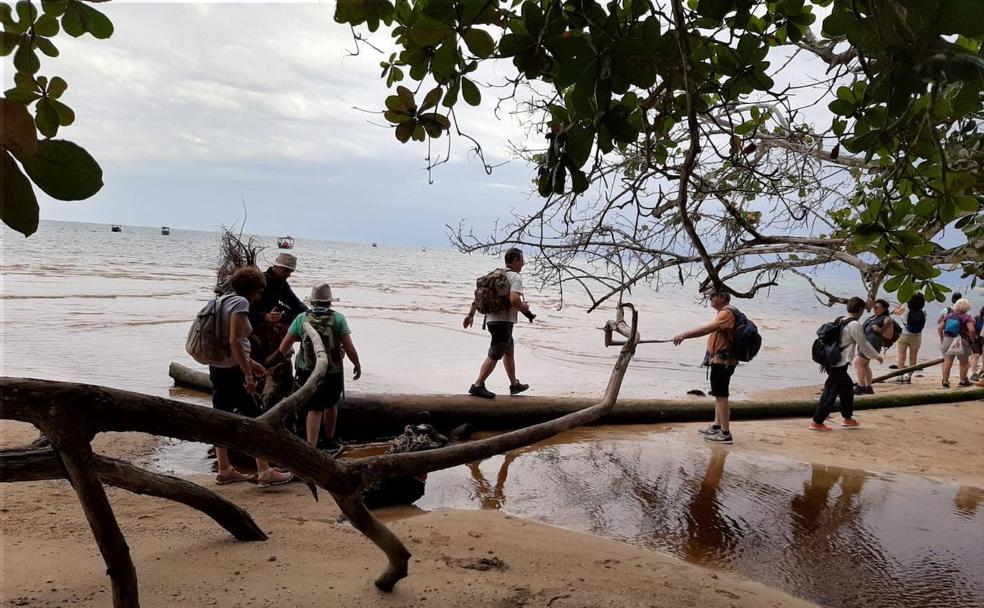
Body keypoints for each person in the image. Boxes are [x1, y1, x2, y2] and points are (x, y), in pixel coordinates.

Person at [210, 266, 294, 487]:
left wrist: (252, 363)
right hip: (232, 369)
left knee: (221, 415)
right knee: (256, 418)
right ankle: (265, 472)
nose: (259, 297)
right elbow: (235, 340)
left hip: (218, 365)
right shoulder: (241, 303)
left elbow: (229, 341)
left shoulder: (223, 299)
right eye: (259, 292)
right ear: (253, 289)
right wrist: (247, 372)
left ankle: (224, 468)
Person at [274, 282, 361, 450]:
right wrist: (356, 363)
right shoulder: (338, 318)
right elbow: (348, 346)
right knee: (330, 405)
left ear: (312, 302)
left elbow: (284, 347)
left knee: (314, 408)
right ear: (329, 302)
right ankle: (329, 441)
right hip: (332, 370)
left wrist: (276, 365)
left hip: (307, 370)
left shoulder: (301, 318)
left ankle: (310, 447)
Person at [672, 288, 738, 444]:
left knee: (722, 396)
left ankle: (725, 433)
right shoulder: (726, 312)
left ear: (721, 297)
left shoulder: (726, 313)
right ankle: (716, 427)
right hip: (720, 360)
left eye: (711, 297)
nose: (709, 300)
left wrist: (684, 335)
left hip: (723, 361)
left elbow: (706, 329)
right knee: (718, 395)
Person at [463, 247, 531, 399]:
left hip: (491, 319)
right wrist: (524, 308)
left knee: (509, 349)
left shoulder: (496, 274)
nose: (523, 263)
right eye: (522, 260)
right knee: (495, 353)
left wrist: (470, 314)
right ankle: (478, 385)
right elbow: (514, 299)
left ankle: (514, 385)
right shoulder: (515, 277)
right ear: (515, 261)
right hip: (503, 321)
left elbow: (479, 296)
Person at [810, 297, 883, 431]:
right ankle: (817, 422)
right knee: (830, 391)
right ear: (860, 310)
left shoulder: (840, 319)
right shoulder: (854, 325)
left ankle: (848, 418)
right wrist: (876, 356)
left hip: (831, 359)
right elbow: (864, 344)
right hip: (839, 361)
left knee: (847, 387)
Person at [249, 252, 309, 330]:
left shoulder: (281, 283)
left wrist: (307, 313)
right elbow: (243, 309)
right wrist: (265, 316)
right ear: (275, 266)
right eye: (286, 270)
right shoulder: (259, 281)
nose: (288, 274)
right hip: (254, 322)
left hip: (273, 319)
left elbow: (295, 303)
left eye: (290, 271)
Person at [853, 299, 893, 395]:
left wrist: (880, 330)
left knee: (857, 363)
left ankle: (861, 386)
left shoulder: (886, 318)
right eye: (874, 307)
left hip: (872, 344)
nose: (875, 309)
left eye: (877, 307)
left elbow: (889, 335)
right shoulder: (873, 317)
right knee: (865, 365)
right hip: (865, 344)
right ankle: (868, 387)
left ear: (884, 308)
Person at [939, 298, 978, 388]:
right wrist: (972, 339)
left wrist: (942, 338)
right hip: (962, 341)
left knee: (947, 361)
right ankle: (963, 381)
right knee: (964, 362)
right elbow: (971, 330)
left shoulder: (949, 316)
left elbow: (940, 327)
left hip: (948, 339)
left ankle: (945, 381)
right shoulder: (967, 317)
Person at [891, 292, 926, 383]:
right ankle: (908, 376)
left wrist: (901, 305)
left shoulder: (906, 310)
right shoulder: (923, 311)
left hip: (904, 335)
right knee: (913, 357)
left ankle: (900, 376)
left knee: (901, 356)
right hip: (917, 336)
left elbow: (894, 312)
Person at [970, 304, 984, 383]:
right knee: (976, 355)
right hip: (975, 340)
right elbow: (971, 329)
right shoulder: (977, 318)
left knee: (976, 358)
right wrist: (973, 337)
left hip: (982, 341)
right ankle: (974, 374)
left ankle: (972, 372)